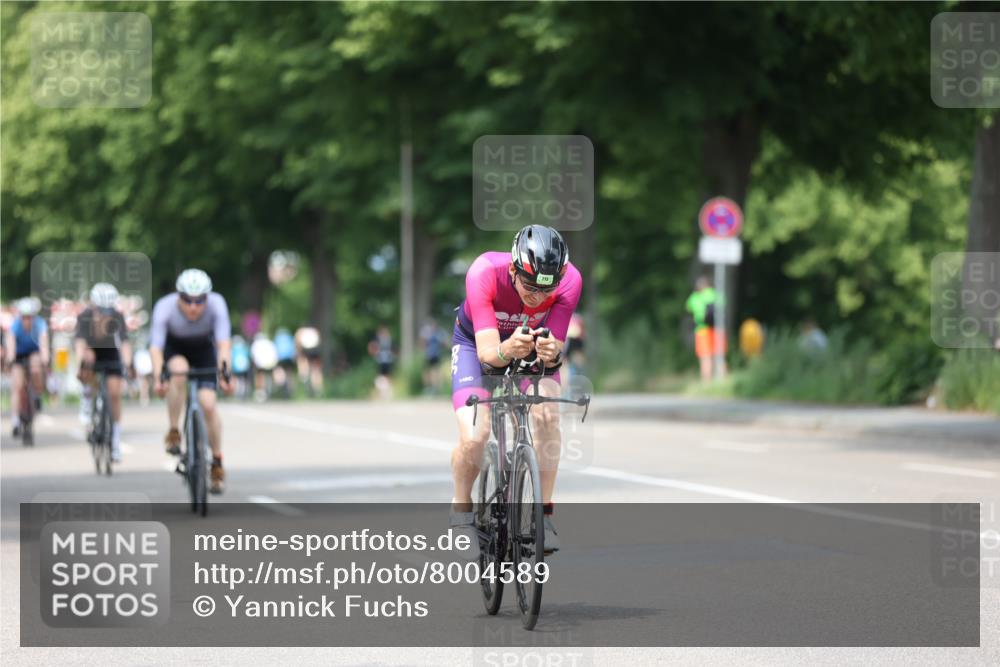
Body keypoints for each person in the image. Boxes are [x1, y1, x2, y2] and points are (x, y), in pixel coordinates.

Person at [450, 225, 582, 555]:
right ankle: (461, 511)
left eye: (545, 288)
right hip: (477, 345)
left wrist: (554, 352)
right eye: (528, 285)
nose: (537, 296)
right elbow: (488, 354)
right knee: (475, 435)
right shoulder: (484, 272)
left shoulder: (570, 281)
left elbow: (554, 349)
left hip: (528, 344)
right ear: (513, 269)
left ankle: (544, 517)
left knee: (548, 416)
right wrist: (508, 350)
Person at [150, 269, 233, 494]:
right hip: (175, 348)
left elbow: (223, 344)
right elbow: (156, 348)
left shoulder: (217, 304)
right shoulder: (164, 308)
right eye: (187, 300)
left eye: (200, 300)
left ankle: (216, 462)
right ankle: (174, 431)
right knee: (179, 370)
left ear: (208, 297)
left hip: (204, 349)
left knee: (208, 404)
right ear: (178, 296)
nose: (194, 306)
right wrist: (159, 376)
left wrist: (226, 373)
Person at [75, 283, 133, 462]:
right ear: (93, 306)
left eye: (108, 310)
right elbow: (80, 343)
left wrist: (128, 364)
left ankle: (115, 439)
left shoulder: (117, 317)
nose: (104, 314)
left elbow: (124, 343)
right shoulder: (84, 317)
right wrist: (81, 365)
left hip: (110, 352)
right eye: (101, 309)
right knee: (88, 359)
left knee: (115, 393)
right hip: (91, 350)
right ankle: (87, 397)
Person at [5, 298, 49, 437]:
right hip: (19, 355)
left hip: (34, 353)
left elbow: (44, 342)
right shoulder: (16, 325)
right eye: (24, 317)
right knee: (17, 387)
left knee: (36, 366)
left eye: (29, 317)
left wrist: (45, 358)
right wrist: (10, 358)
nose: (27, 320)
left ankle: (36, 394)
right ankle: (15, 420)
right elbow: (10, 342)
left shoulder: (40, 324)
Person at [685, 276, 726, 381]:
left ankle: (706, 381)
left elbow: (688, 307)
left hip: (702, 330)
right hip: (717, 328)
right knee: (719, 355)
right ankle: (723, 381)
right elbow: (723, 304)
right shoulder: (715, 294)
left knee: (705, 356)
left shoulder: (695, 297)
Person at [294, 325, 323, 396]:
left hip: (305, 348)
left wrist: (298, 352)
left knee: (302, 360)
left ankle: (304, 374)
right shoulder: (314, 330)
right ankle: (317, 387)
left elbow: (297, 341)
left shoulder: (301, 331)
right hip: (315, 349)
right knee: (316, 369)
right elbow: (319, 340)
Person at [368, 324, 395, 399]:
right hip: (380, 360)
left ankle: (387, 392)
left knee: (388, 376)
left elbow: (393, 348)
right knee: (380, 376)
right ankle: (379, 392)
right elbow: (371, 346)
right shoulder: (378, 339)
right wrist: (374, 353)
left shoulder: (389, 339)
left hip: (388, 360)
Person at [419, 318, 445, 393]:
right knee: (431, 371)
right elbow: (443, 343)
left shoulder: (430, 333)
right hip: (431, 355)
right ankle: (432, 388)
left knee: (433, 371)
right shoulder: (438, 333)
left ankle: (433, 388)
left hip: (432, 355)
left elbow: (422, 343)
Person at [273, 327, 296, 396]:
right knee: (289, 372)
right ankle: (290, 387)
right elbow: (293, 348)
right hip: (289, 357)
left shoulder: (278, 338)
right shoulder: (289, 337)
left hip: (281, 357)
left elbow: (275, 349)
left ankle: (281, 383)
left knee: (279, 369)